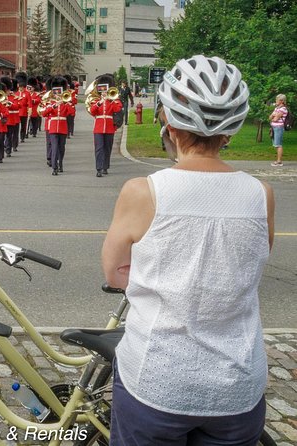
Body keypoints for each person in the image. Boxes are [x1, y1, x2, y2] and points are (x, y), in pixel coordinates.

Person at [102, 55, 274, 446]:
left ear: (168, 121)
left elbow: (115, 274)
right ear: (232, 128)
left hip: (157, 380)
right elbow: (249, 266)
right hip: (237, 383)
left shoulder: (143, 191)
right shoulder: (261, 194)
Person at [90, 75, 123, 177]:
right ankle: (99, 168)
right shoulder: (96, 100)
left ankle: (105, 166)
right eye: (102, 91)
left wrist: (111, 100)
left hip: (109, 127)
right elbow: (92, 111)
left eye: (105, 90)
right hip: (99, 128)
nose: (104, 92)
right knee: (99, 148)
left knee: (107, 148)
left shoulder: (113, 100)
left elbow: (117, 109)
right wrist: (100, 102)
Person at [269, 94, 287, 167]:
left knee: (278, 144)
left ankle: (279, 161)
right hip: (274, 127)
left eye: (277, 100)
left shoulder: (283, 109)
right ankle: (278, 160)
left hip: (279, 128)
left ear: (282, 101)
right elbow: (270, 117)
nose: (276, 101)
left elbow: (275, 119)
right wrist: (273, 116)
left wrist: (274, 116)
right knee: (276, 144)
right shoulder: (276, 108)